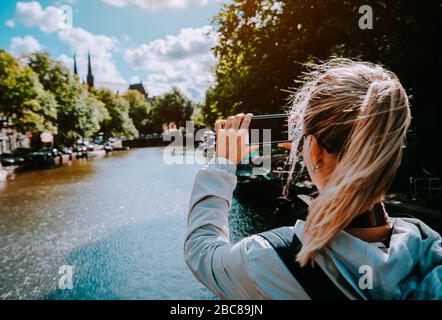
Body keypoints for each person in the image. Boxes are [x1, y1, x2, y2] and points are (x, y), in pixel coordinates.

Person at [184, 58, 442, 300]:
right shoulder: (430, 249)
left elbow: (202, 252)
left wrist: (223, 163)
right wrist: (311, 150)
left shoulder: (270, 259)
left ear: (315, 150)